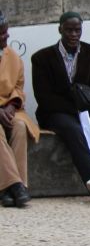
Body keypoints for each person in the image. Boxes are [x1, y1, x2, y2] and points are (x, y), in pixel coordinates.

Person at [31, 12, 90, 202]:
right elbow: (43, 97)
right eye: (69, 30)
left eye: (77, 30)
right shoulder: (42, 58)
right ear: (60, 30)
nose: (73, 34)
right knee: (73, 130)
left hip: (87, 110)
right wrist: (74, 110)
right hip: (56, 112)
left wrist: (89, 107)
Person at [0, 13, 40, 208]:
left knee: (19, 126)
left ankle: (13, 188)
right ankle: (14, 185)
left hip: (9, 108)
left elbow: (18, 87)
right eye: (1, 34)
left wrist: (9, 106)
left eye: (6, 32)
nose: (6, 37)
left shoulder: (14, 57)